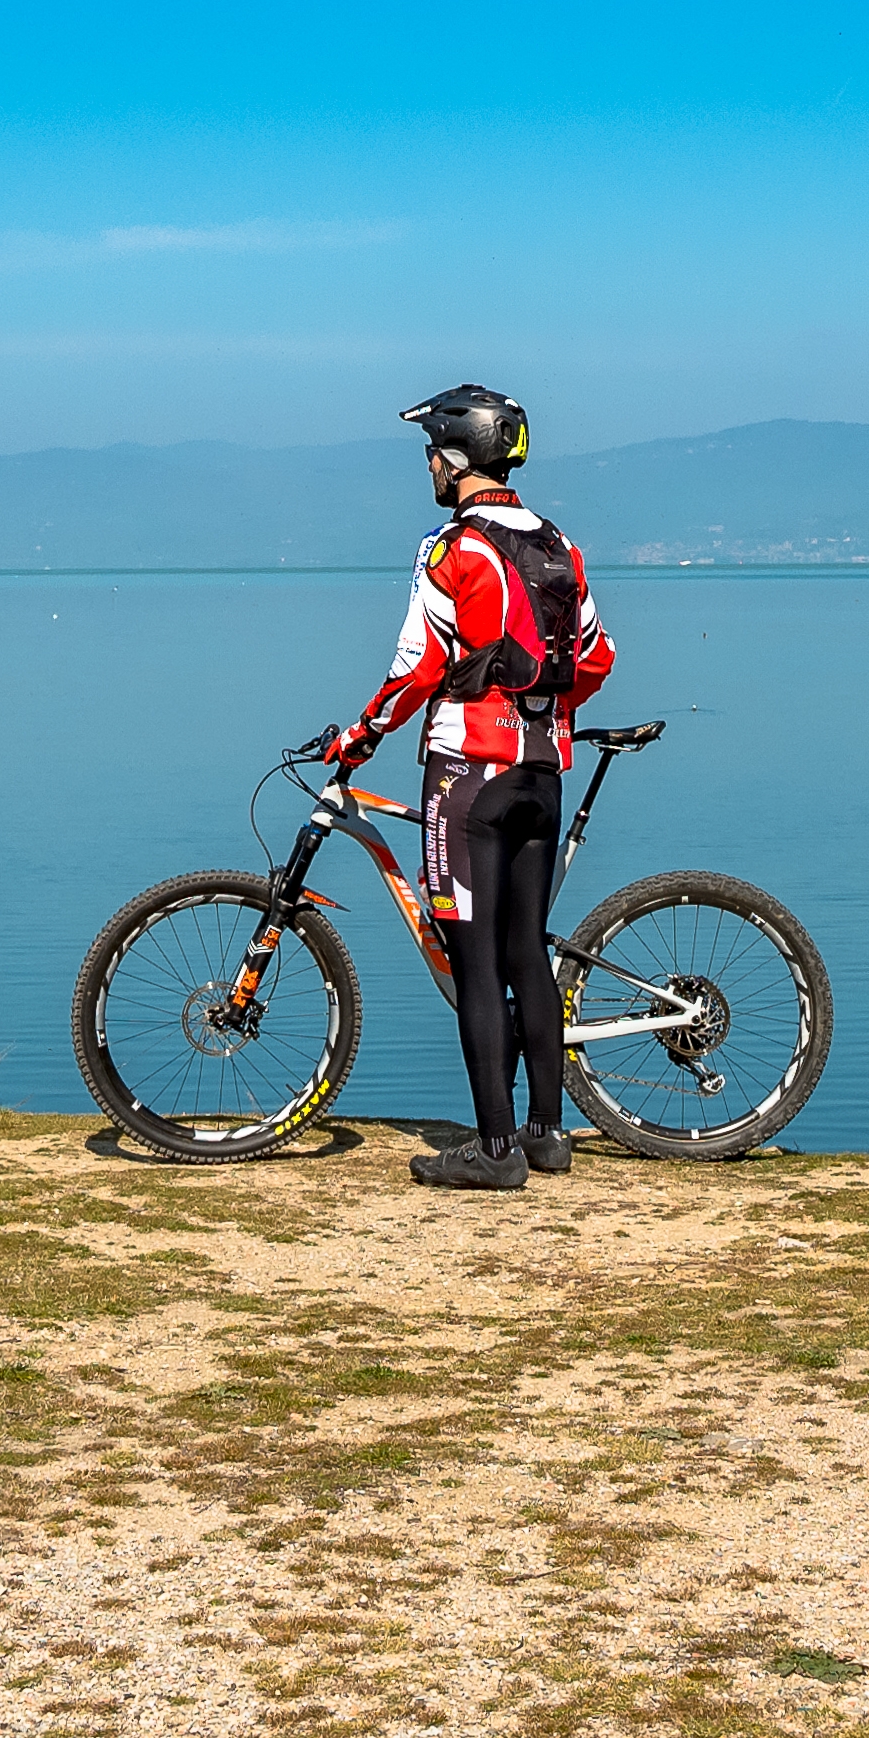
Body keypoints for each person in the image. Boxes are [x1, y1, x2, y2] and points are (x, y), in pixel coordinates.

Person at [300, 383, 612, 1190]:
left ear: (454, 456)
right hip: (543, 773)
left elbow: (415, 668)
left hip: (467, 777)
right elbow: (596, 656)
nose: (429, 469)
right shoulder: (558, 544)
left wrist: (358, 737)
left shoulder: (450, 549)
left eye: (431, 454)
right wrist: (537, 714)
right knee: (525, 953)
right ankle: (546, 1133)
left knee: (475, 963)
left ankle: (494, 1150)